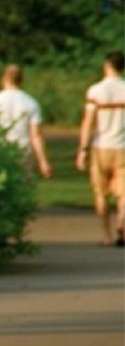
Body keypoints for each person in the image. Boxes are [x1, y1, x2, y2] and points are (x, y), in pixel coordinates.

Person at [76, 50, 125, 247]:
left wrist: (82, 149)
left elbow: (88, 122)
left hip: (101, 146)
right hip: (122, 146)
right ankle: (122, 223)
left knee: (100, 193)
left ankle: (107, 235)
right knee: (123, 193)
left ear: (107, 66)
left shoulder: (96, 90)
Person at [0, 64, 53, 179]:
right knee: (23, 183)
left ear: (3, 79)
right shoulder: (31, 102)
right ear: (21, 80)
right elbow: (36, 135)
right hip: (22, 150)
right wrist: (43, 161)